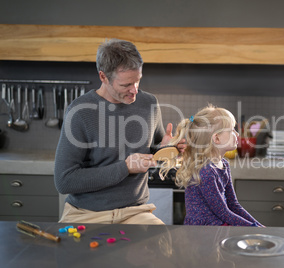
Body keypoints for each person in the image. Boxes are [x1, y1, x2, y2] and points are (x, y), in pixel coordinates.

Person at [54, 38, 185, 225]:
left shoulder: (149, 103)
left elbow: (152, 153)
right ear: (103, 77)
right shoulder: (80, 112)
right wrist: (124, 168)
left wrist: (168, 149)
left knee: (164, 249)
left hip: (135, 212)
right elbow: (64, 181)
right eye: (125, 85)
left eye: (138, 81)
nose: (134, 90)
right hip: (87, 214)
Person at [160, 105, 264, 226]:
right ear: (216, 138)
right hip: (202, 232)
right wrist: (253, 227)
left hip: (217, 225)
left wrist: (258, 226)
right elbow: (223, 212)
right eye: (232, 130)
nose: (237, 134)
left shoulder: (223, 164)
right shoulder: (206, 171)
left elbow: (233, 204)